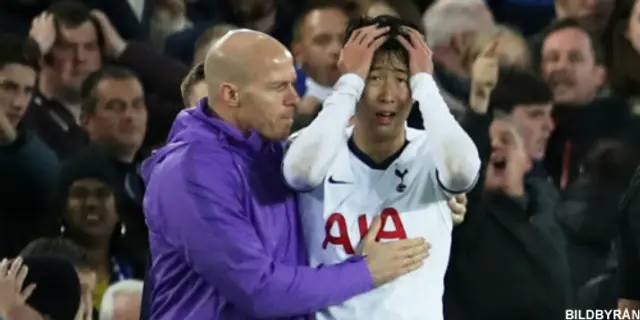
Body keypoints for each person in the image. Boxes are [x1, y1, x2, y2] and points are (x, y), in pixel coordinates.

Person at [140, 28, 429, 319]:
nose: (294, 97)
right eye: (279, 87)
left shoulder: (274, 153)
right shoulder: (189, 173)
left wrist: (436, 196)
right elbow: (260, 291)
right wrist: (366, 271)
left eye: (293, 83)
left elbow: (351, 185)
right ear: (231, 94)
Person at [284, 16, 480, 320]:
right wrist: (348, 84)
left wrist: (426, 85)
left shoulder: (433, 152)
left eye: (402, 78)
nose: (388, 94)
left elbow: (462, 171)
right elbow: (300, 173)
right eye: (374, 77)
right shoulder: (316, 148)